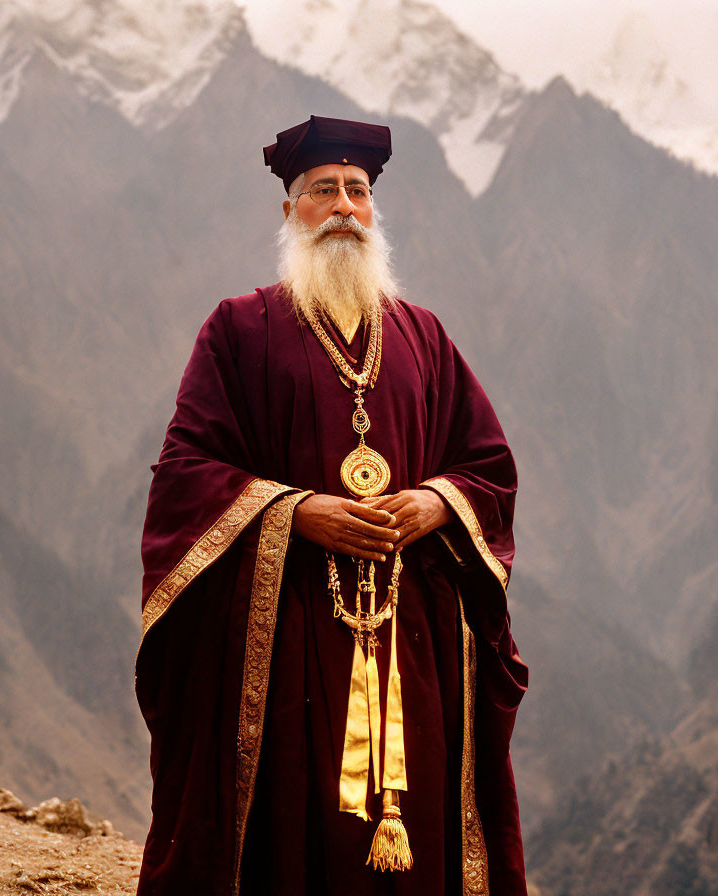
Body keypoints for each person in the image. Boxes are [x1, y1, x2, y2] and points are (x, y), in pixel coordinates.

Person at [135, 115, 528, 895]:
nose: (344, 206)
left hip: (414, 633)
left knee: (419, 828)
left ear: (374, 210)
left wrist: (436, 503)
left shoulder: (423, 336)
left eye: (358, 191)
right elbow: (185, 470)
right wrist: (294, 512)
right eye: (323, 191)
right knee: (295, 823)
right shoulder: (239, 330)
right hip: (285, 633)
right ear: (290, 211)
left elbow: (487, 463)